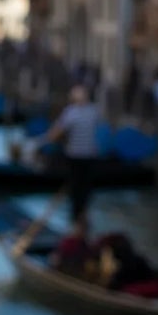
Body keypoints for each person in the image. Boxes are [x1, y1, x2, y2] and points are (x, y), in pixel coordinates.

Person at [43, 81, 102, 224]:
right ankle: (83, 219)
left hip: (75, 156)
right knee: (85, 192)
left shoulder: (71, 112)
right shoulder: (94, 111)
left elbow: (56, 134)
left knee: (76, 192)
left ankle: (76, 222)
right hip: (90, 157)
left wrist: (46, 139)